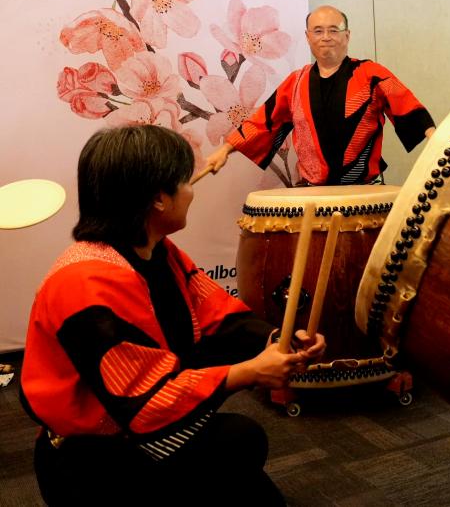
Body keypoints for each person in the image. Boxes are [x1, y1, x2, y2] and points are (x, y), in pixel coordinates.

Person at [20, 125, 326, 504]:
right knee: (240, 441)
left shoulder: (158, 253)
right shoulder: (85, 283)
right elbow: (144, 401)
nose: (191, 190)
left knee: (249, 469)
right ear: (158, 199)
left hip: (131, 428)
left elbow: (217, 317)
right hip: (89, 456)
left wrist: (278, 342)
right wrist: (245, 373)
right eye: (184, 181)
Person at [204, 5, 435, 185]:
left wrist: (435, 137)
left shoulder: (371, 74)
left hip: (364, 189)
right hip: (313, 191)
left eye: (334, 30)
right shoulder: (295, 82)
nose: (326, 36)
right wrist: (225, 150)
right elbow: (262, 121)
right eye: (318, 31)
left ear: (347, 36)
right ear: (307, 37)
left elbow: (404, 102)